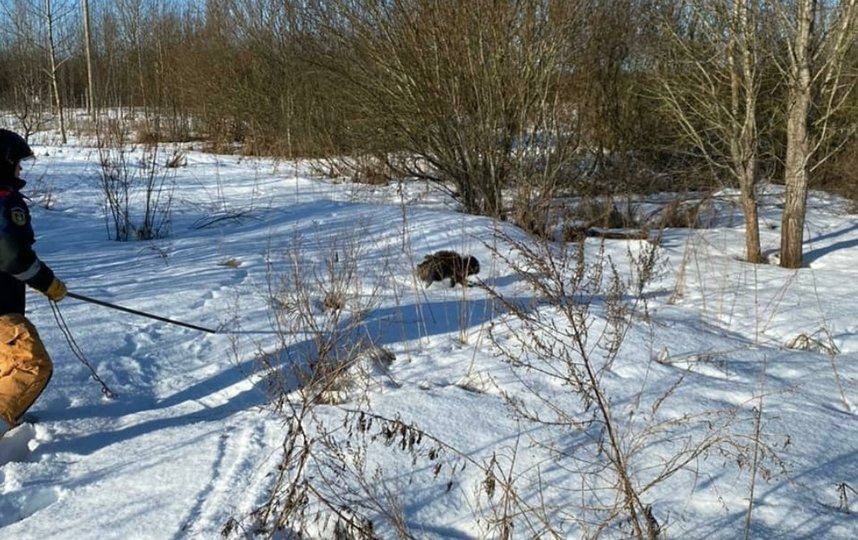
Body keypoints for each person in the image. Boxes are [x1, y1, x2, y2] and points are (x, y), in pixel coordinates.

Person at [0, 128, 67, 438]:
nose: (21, 169)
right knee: (32, 364)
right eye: (17, 162)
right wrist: (47, 283)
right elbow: (12, 256)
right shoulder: (3, 201)